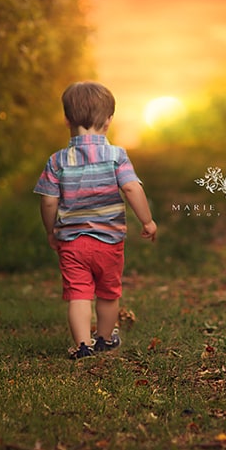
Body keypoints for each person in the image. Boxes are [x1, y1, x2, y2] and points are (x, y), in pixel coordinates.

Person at [34, 81, 157, 359]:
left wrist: (51, 230)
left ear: (66, 119)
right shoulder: (116, 156)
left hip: (73, 243)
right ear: (109, 121)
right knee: (108, 292)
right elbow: (131, 188)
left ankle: (82, 344)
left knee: (78, 293)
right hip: (109, 242)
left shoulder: (58, 161)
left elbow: (49, 200)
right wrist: (147, 221)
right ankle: (103, 338)